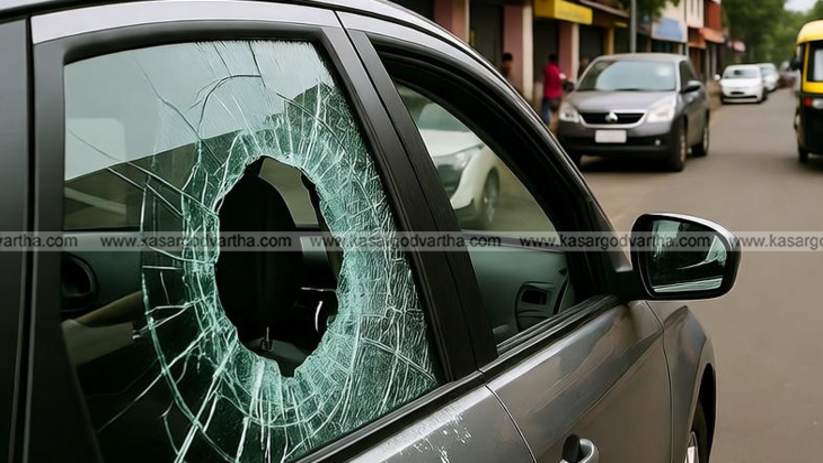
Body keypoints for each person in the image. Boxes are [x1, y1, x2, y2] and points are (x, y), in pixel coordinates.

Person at [542, 54, 562, 125]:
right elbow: (560, 80)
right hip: (556, 96)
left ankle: (546, 125)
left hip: (547, 96)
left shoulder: (546, 69)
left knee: (545, 112)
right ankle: (554, 125)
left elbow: (544, 75)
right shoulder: (557, 70)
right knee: (555, 113)